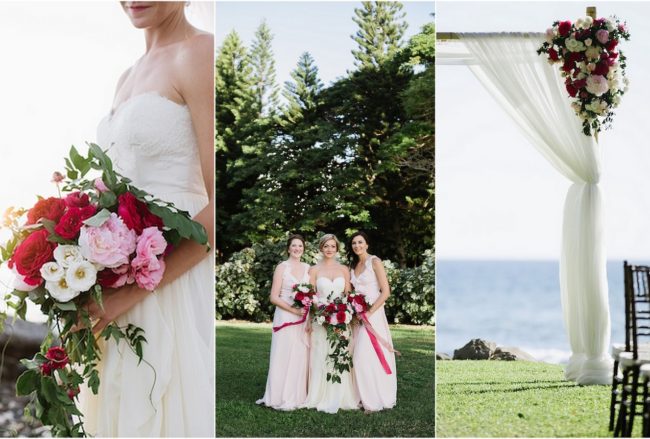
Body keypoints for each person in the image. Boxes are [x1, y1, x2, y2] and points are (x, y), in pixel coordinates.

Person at [77, 2, 214, 436]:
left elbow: (221, 201)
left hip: (172, 278)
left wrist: (129, 294)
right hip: (119, 282)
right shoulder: (127, 75)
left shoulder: (201, 54)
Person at [302, 234, 360, 413]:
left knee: (340, 354)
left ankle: (342, 396)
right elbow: (310, 297)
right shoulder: (313, 270)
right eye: (326, 246)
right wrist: (321, 315)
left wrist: (346, 313)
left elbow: (348, 296)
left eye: (333, 246)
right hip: (321, 319)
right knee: (321, 355)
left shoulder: (344, 269)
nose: (329, 249)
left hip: (342, 319)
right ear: (321, 248)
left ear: (337, 249)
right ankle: (319, 396)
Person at [256, 234, 311, 410]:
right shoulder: (282, 267)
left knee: (300, 354)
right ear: (288, 248)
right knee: (283, 353)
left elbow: (311, 294)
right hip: (286, 315)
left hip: (303, 316)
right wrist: (293, 310)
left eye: (300, 246)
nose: (297, 249)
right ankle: (278, 395)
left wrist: (306, 313)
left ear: (304, 249)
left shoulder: (308, 268)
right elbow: (273, 296)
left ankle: (297, 395)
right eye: (294, 246)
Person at [348, 231, 397, 411]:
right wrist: (354, 311)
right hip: (358, 316)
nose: (357, 246)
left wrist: (369, 312)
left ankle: (376, 398)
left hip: (373, 314)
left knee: (366, 355)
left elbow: (385, 291)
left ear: (367, 244)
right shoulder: (353, 266)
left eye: (360, 242)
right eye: (354, 243)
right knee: (358, 356)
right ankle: (363, 396)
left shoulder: (374, 262)